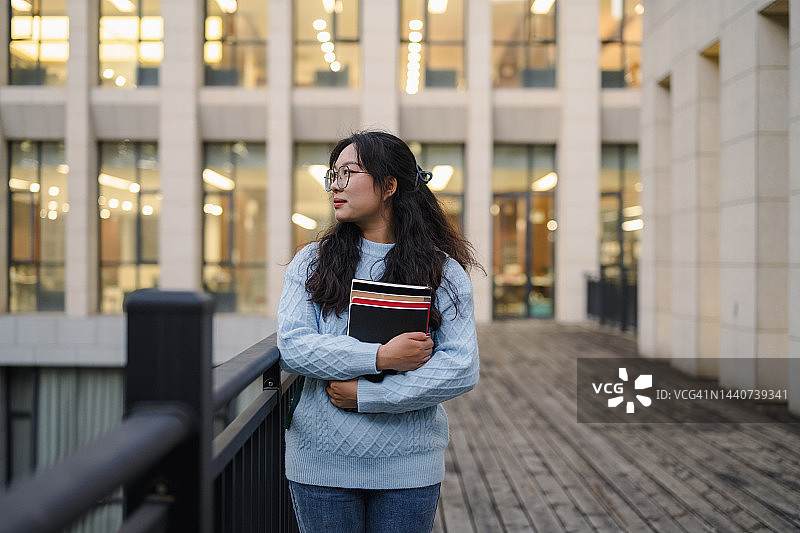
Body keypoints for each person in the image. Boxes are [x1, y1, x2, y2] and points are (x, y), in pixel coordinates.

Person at [277, 130, 481, 533]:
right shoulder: (311, 262)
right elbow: (293, 347)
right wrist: (381, 357)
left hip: (408, 468)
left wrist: (372, 395)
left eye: (348, 173)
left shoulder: (443, 272)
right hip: (322, 464)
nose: (335, 184)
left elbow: (461, 367)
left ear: (389, 186)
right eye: (332, 174)